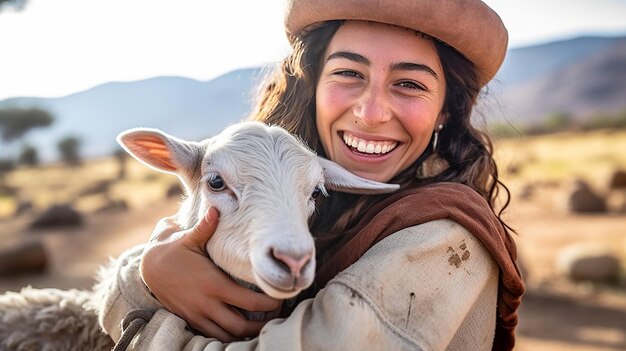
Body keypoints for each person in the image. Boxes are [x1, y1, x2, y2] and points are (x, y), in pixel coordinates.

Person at [97, 0, 525, 350]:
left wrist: (138, 301)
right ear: (313, 87)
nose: (371, 114)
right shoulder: (306, 197)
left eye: (409, 84)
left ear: (444, 111)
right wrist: (151, 271)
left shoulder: (442, 236)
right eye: (348, 73)